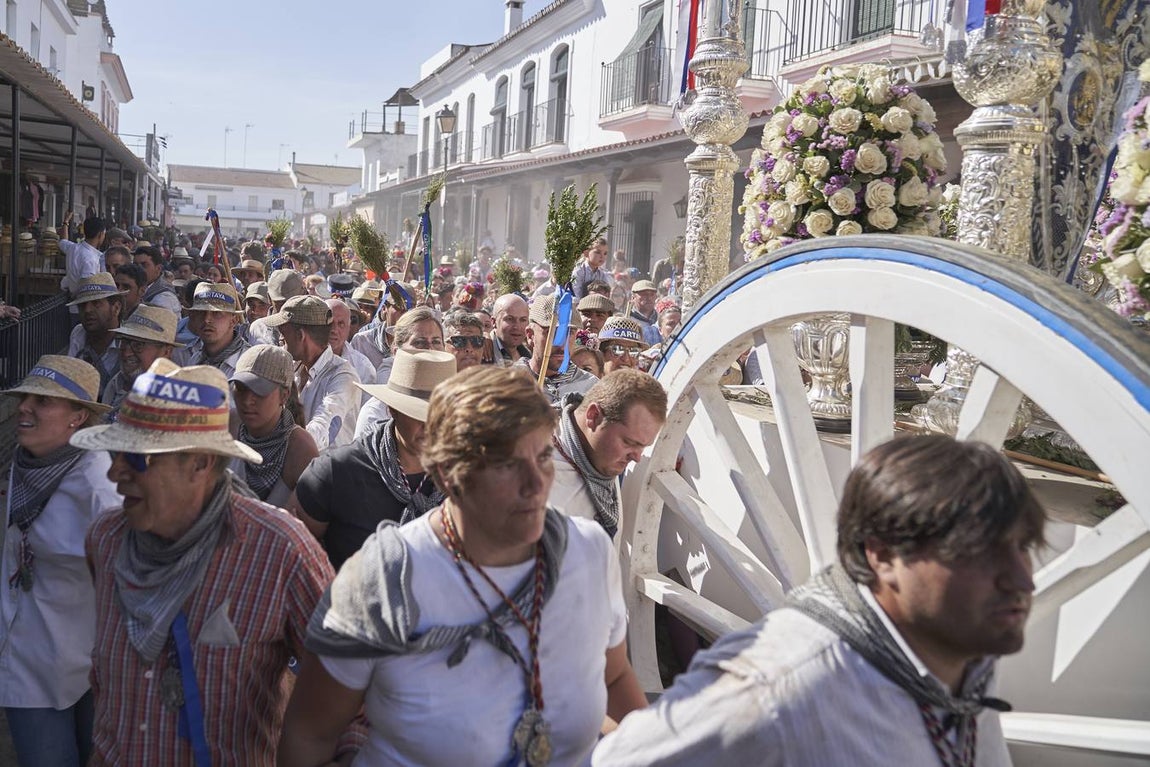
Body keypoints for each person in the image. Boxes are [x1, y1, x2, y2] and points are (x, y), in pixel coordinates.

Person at [594, 434, 1045, 767]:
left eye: (1023, 547)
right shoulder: (778, 689)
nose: (1023, 581)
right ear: (883, 555)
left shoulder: (964, 642)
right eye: (978, 553)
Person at [280, 365, 647, 767]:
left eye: (543, 455)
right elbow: (310, 733)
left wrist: (656, 747)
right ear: (446, 476)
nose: (536, 484)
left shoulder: (589, 552)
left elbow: (613, 677)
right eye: (505, 465)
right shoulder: (384, 576)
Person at [71, 358, 355, 766]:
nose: (115, 472)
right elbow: (109, 696)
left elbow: (349, 688)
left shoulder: (279, 551)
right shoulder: (106, 540)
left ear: (201, 463)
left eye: (138, 458)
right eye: (117, 452)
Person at [1, 356, 119, 766]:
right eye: (26, 397)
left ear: (78, 417)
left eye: (43, 401)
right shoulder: (29, 457)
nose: (25, 408)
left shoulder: (99, 488)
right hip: (28, 661)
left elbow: (126, 582)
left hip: (87, 665)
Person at [291, 349, 456, 570]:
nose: (431, 425)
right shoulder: (338, 470)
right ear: (393, 410)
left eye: (441, 416)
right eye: (419, 414)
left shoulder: (465, 476)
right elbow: (291, 552)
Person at [551, 369, 666, 537]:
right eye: (629, 442)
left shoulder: (597, 457)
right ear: (593, 416)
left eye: (643, 446)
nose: (637, 457)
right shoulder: (531, 474)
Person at [265, 294, 360, 449]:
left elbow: (323, 429)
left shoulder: (344, 377)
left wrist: (277, 445)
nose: (281, 338)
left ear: (300, 335)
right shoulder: (293, 367)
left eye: (283, 332)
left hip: (328, 471)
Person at [230, 345, 318, 508]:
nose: (248, 401)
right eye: (241, 388)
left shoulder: (301, 449)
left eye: (259, 391)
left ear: (283, 395)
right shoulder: (227, 425)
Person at [353, 307, 446, 439]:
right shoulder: (377, 412)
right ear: (397, 352)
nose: (430, 349)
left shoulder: (458, 405)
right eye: (419, 342)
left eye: (436, 341)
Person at [101, 304, 183, 418]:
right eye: (124, 342)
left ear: (166, 352)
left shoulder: (171, 399)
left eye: (138, 345)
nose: (126, 353)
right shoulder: (117, 383)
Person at [522, 295, 598, 403]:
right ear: (530, 335)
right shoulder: (508, 383)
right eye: (553, 333)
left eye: (569, 333)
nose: (561, 344)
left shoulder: (592, 388)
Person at [66, 273, 125, 391]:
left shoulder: (129, 342)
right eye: (82, 305)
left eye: (96, 303)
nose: (87, 310)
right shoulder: (79, 334)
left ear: (116, 308)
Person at [187, 281, 250, 378]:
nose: (207, 319)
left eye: (216, 313)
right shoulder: (194, 360)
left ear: (233, 321)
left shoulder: (248, 363)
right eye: (201, 312)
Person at [59, 213, 106, 322]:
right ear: (100, 234)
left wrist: (66, 222)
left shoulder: (73, 248)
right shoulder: (90, 258)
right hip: (85, 311)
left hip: (74, 308)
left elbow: (62, 241)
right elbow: (86, 284)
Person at [249, 269, 307, 347]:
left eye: (294, 302)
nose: (288, 307)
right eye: (281, 303)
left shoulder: (312, 325)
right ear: (269, 298)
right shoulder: (258, 328)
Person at [327, 298, 376, 388]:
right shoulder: (301, 357)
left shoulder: (362, 367)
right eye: (329, 322)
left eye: (341, 323)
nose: (334, 330)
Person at [132, 244, 181, 315]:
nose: (138, 269)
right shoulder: (141, 288)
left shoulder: (163, 298)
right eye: (135, 265)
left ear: (158, 268)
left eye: (144, 265)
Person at [490, 293, 530, 365]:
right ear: (494, 322)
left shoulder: (528, 355)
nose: (517, 326)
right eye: (510, 319)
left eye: (523, 320)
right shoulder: (483, 352)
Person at [628, 280, 663, 346]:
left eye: (652, 294)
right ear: (633, 298)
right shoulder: (628, 320)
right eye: (644, 294)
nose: (649, 298)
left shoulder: (661, 319)